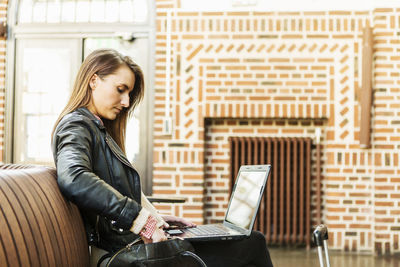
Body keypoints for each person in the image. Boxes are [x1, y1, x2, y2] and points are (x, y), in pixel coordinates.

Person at [51, 48, 273, 267]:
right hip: (121, 255)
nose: (126, 102)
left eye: (128, 93)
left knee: (245, 240)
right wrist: (140, 220)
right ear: (93, 80)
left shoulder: (96, 128)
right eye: (120, 89)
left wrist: (156, 217)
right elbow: (75, 177)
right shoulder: (77, 125)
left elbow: (110, 195)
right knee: (252, 243)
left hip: (129, 245)